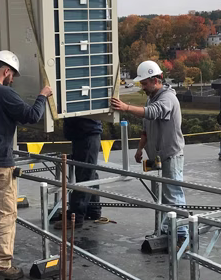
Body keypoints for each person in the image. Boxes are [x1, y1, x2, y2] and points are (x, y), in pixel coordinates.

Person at [0, 50, 52, 280]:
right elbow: (32, 116)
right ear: (6, 71)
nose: (12, 79)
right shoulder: (5, 94)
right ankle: (1, 266)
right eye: (12, 75)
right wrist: (43, 95)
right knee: (5, 216)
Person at [111, 61, 188, 241]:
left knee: (174, 195)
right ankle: (167, 231)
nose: (143, 87)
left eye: (144, 83)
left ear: (155, 80)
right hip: (158, 156)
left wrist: (126, 108)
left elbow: (153, 112)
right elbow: (146, 127)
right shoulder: (151, 98)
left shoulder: (167, 98)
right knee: (164, 197)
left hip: (171, 154)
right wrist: (140, 149)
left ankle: (182, 236)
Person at [54, 117, 103, 230]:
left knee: (85, 176)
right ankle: (93, 210)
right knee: (90, 173)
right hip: (83, 133)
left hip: (86, 133)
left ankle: (75, 217)